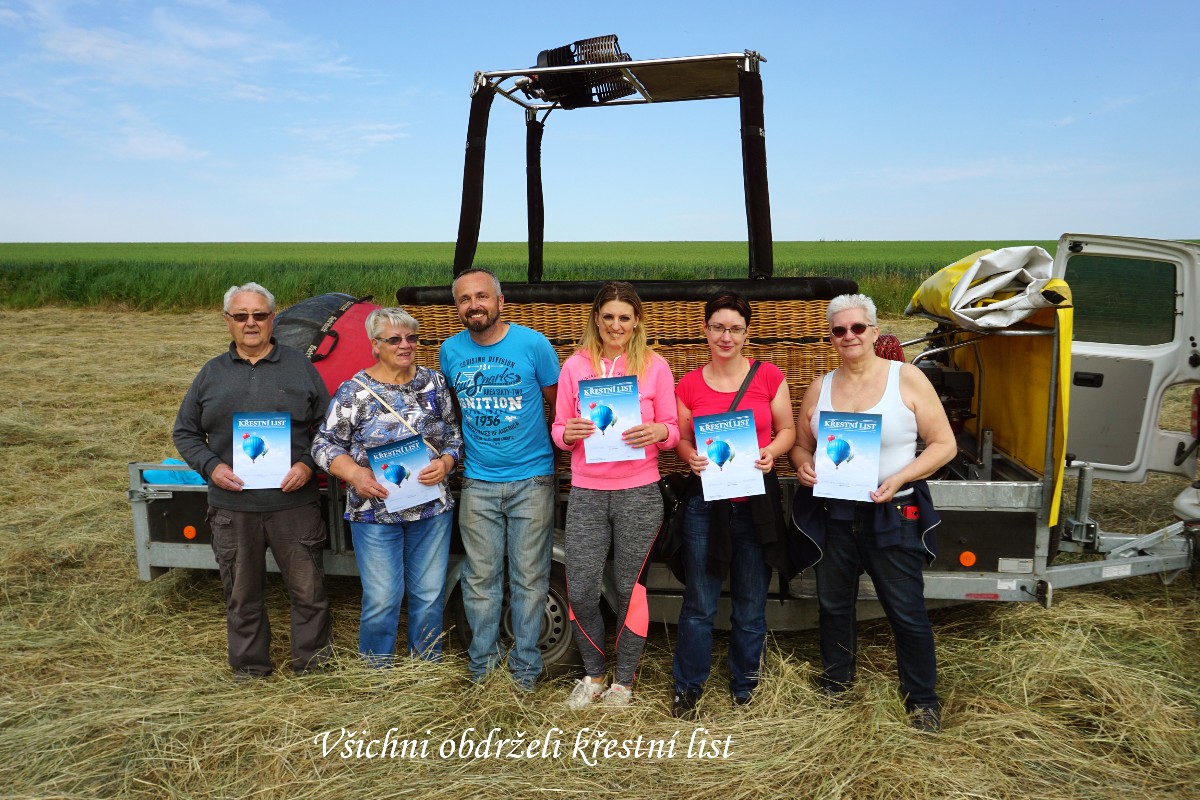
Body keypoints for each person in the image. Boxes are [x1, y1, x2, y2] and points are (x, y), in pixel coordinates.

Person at [789, 293, 956, 731]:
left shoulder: (908, 379)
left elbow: (944, 444)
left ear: (874, 331)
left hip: (892, 511)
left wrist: (900, 478)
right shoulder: (820, 388)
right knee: (833, 605)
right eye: (839, 330)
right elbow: (802, 445)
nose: (849, 336)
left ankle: (922, 701)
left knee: (906, 610)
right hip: (835, 512)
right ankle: (837, 684)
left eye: (857, 327)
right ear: (831, 338)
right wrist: (803, 465)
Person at [173, 282, 333, 679]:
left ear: (272, 319)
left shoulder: (300, 367)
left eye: (259, 315)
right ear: (227, 321)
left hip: (294, 505)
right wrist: (212, 467)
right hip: (233, 508)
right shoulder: (211, 373)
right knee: (242, 596)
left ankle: (313, 667)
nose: (251, 323)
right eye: (241, 315)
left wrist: (307, 465)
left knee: (309, 593)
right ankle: (249, 668)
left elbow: (329, 428)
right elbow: (185, 432)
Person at [552, 281, 680, 708]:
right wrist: (567, 433)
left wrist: (658, 431)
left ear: (637, 321)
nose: (616, 325)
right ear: (596, 319)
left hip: (638, 492)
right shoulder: (574, 366)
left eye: (624, 317)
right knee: (581, 589)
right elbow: (558, 430)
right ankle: (593, 676)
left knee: (630, 589)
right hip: (587, 491)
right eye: (608, 316)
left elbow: (672, 430)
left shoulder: (655, 366)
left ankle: (623, 683)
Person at [312, 308, 462, 666]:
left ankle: (424, 667)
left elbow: (454, 436)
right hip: (374, 513)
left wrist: (446, 463)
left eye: (411, 337)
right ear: (375, 345)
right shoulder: (354, 392)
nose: (405, 345)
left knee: (429, 595)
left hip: (431, 509)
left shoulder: (435, 383)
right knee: (382, 598)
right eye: (394, 339)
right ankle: (377, 671)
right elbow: (323, 444)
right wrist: (355, 475)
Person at [669, 293, 795, 718]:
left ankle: (746, 684)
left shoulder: (769, 376)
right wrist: (690, 457)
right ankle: (688, 686)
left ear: (746, 332)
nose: (727, 337)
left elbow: (788, 429)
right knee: (699, 604)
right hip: (706, 508)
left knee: (750, 603)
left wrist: (772, 452)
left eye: (735, 329)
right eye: (718, 327)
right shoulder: (688, 384)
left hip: (756, 505)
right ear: (705, 330)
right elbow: (682, 438)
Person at [438, 268, 560, 689]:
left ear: (500, 302)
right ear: (457, 307)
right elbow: (455, 410)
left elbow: (558, 406)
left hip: (533, 481)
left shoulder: (533, 344)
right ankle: (483, 672)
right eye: (464, 299)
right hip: (478, 481)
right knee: (479, 581)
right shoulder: (450, 350)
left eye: (482, 296)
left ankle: (524, 674)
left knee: (530, 580)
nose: (474, 305)